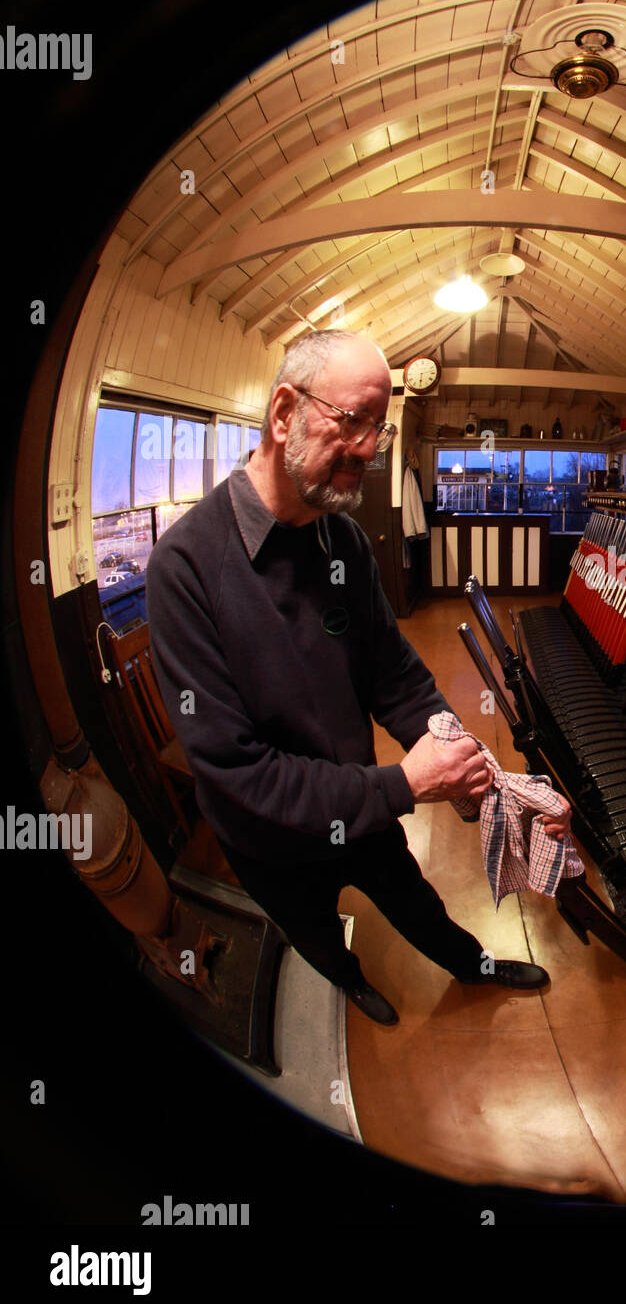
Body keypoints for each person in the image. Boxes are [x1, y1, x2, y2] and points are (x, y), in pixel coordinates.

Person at [147, 330, 567, 1026]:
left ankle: (473, 965)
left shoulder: (339, 538)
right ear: (284, 414)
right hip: (270, 839)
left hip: (360, 808)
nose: (370, 450)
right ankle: (352, 982)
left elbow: (393, 674)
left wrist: (468, 766)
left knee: (415, 901)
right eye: (352, 422)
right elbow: (234, 771)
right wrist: (404, 784)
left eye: (380, 427)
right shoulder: (185, 569)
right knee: (311, 929)